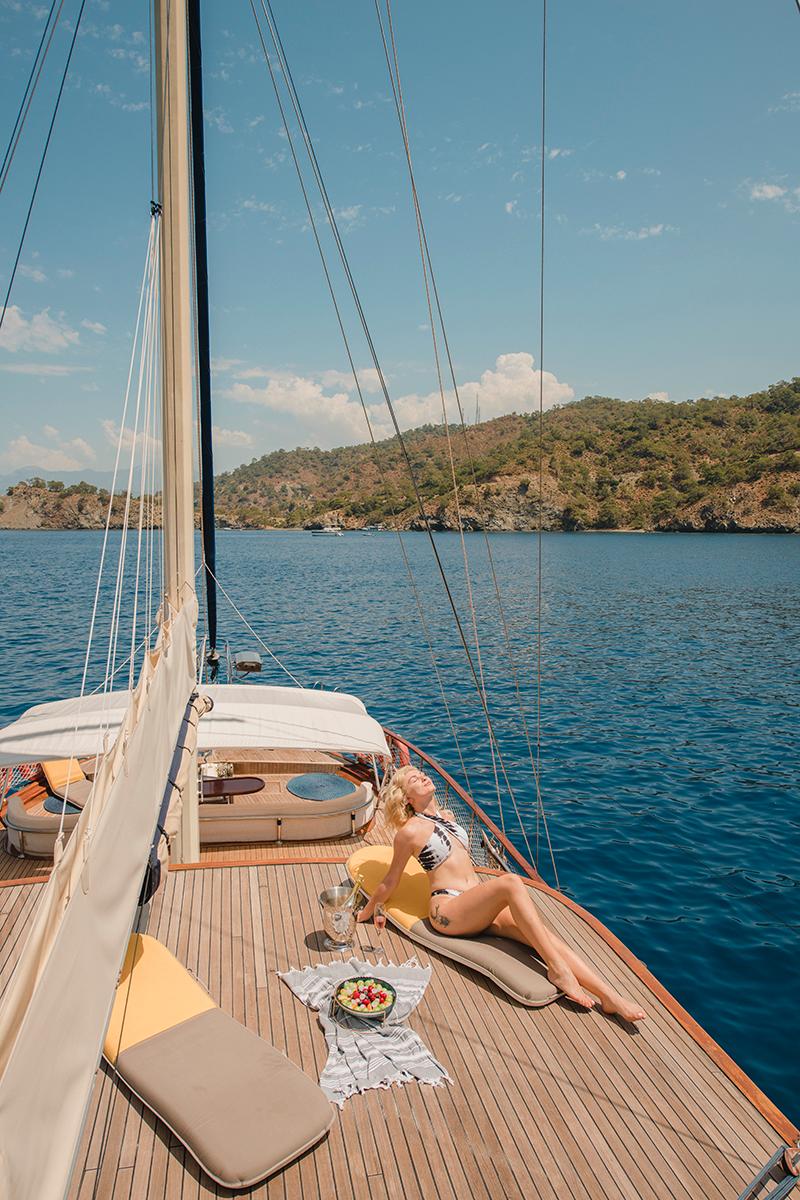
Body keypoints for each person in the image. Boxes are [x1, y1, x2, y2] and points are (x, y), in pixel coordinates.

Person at [357, 765, 646, 1023]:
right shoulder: (409, 831)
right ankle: (558, 971)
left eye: (422, 774)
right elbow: (391, 880)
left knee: (544, 937)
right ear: (406, 797)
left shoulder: (447, 816)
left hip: (477, 906)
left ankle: (609, 996)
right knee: (510, 883)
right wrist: (367, 911)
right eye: (414, 780)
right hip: (448, 910)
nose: (423, 777)